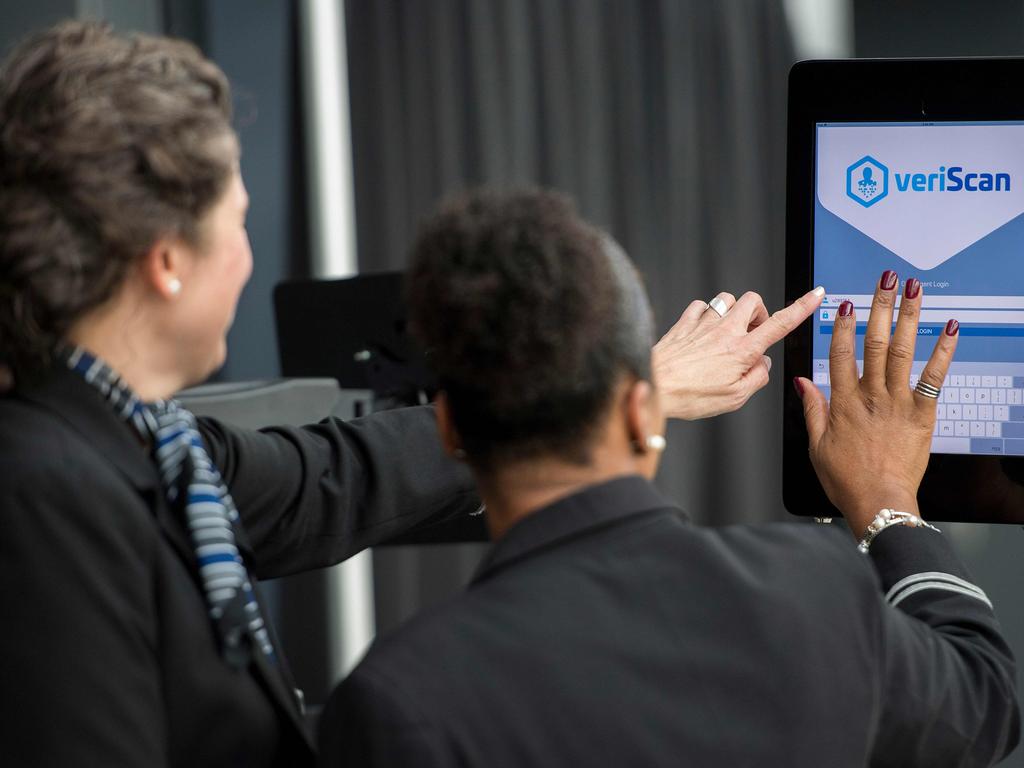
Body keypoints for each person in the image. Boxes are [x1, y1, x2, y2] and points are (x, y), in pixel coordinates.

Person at [0, 23, 821, 767]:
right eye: (238, 221)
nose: (248, 257)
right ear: (166, 261)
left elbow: (325, 480)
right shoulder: (46, 489)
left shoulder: (134, 443)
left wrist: (610, 388)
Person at [317, 190, 1019, 768]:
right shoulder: (814, 595)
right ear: (639, 404)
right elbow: (984, 705)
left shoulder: (396, 699)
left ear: (449, 433)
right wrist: (887, 498)